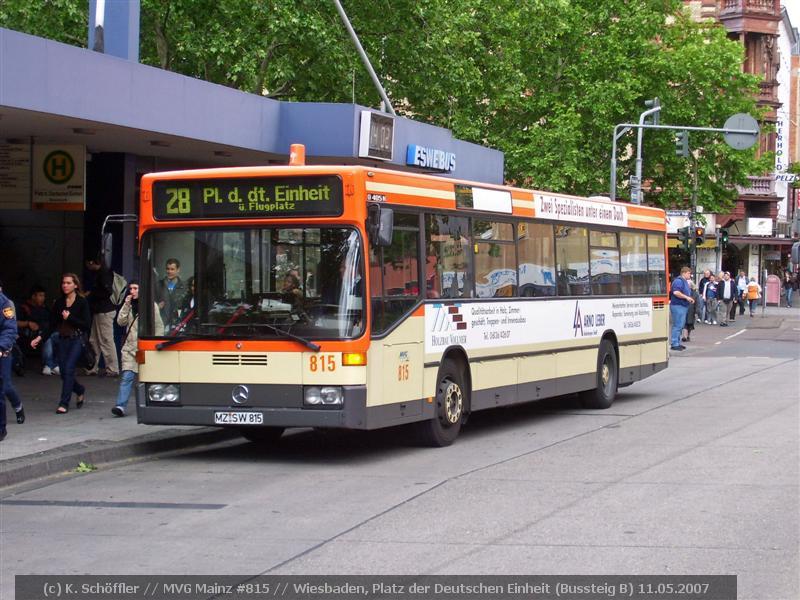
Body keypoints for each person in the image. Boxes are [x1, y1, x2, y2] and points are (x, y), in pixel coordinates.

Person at [31, 273, 92, 414]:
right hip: (63, 339)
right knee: (64, 372)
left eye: (69, 283)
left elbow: (86, 325)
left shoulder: (82, 302)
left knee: (69, 368)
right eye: (63, 283)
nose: (65, 285)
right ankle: (79, 389)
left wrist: (70, 318)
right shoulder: (59, 303)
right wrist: (40, 338)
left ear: (75, 285)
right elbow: (52, 325)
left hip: (77, 339)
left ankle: (64, 403)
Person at [112, 281, 163, 417]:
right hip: (130, 348)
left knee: (147, 377)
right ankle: (120, 406)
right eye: (130, 289)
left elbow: (158, 326)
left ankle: (154, 404)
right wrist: (126, 305)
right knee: (127, 377)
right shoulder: (128, 305)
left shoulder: (151, 306)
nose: (132, 291)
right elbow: (120, 322)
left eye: (135, 288)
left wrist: (156, 344)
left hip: (144, 348)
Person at [85, 258, 119, 377]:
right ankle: (92, 366)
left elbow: (107, 291)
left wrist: (91, 295)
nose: (87, 267)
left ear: (92, 262)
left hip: (104, 310)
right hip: (100, 310)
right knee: (93, 340)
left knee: (106, 339)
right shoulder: (103, 273)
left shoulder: (104, 274)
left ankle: (113, 369)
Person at [0, 281, 25, 441]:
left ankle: (1, 427)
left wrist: (1, 347)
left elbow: (9, 328)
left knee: (4, 387)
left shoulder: (4, 303)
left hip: (2, 353)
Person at [18, 285, 59, 375]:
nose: (43, 298)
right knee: (46, 336)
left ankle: (54, 364)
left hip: (46, 332)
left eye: (43, 296)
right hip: (30, 334)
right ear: (33, 296)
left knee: (61, 336)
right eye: (40, 296)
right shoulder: (24, 307)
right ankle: (48, 365)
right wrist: (28, 323)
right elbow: (14, 322)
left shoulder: (44, 308)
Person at [156, 258, 187, 329]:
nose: (169, 271)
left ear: (178, 270)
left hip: (178, 325)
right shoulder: (158, 285)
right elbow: (152, 303)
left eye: (172, 269)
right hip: (161, 323)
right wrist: (157, 306)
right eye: (168, 269)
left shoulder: (184, 287)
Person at [669, 266, 695, 351]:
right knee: (677, 325)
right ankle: (674, 343)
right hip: (678, 306)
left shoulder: (684, 281)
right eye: (688, 273)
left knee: (680, 325)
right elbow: (676, 292)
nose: (690, 275)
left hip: (682, 306)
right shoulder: (678, 281)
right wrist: (687, 298)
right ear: (683, 273)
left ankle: (677, 342)